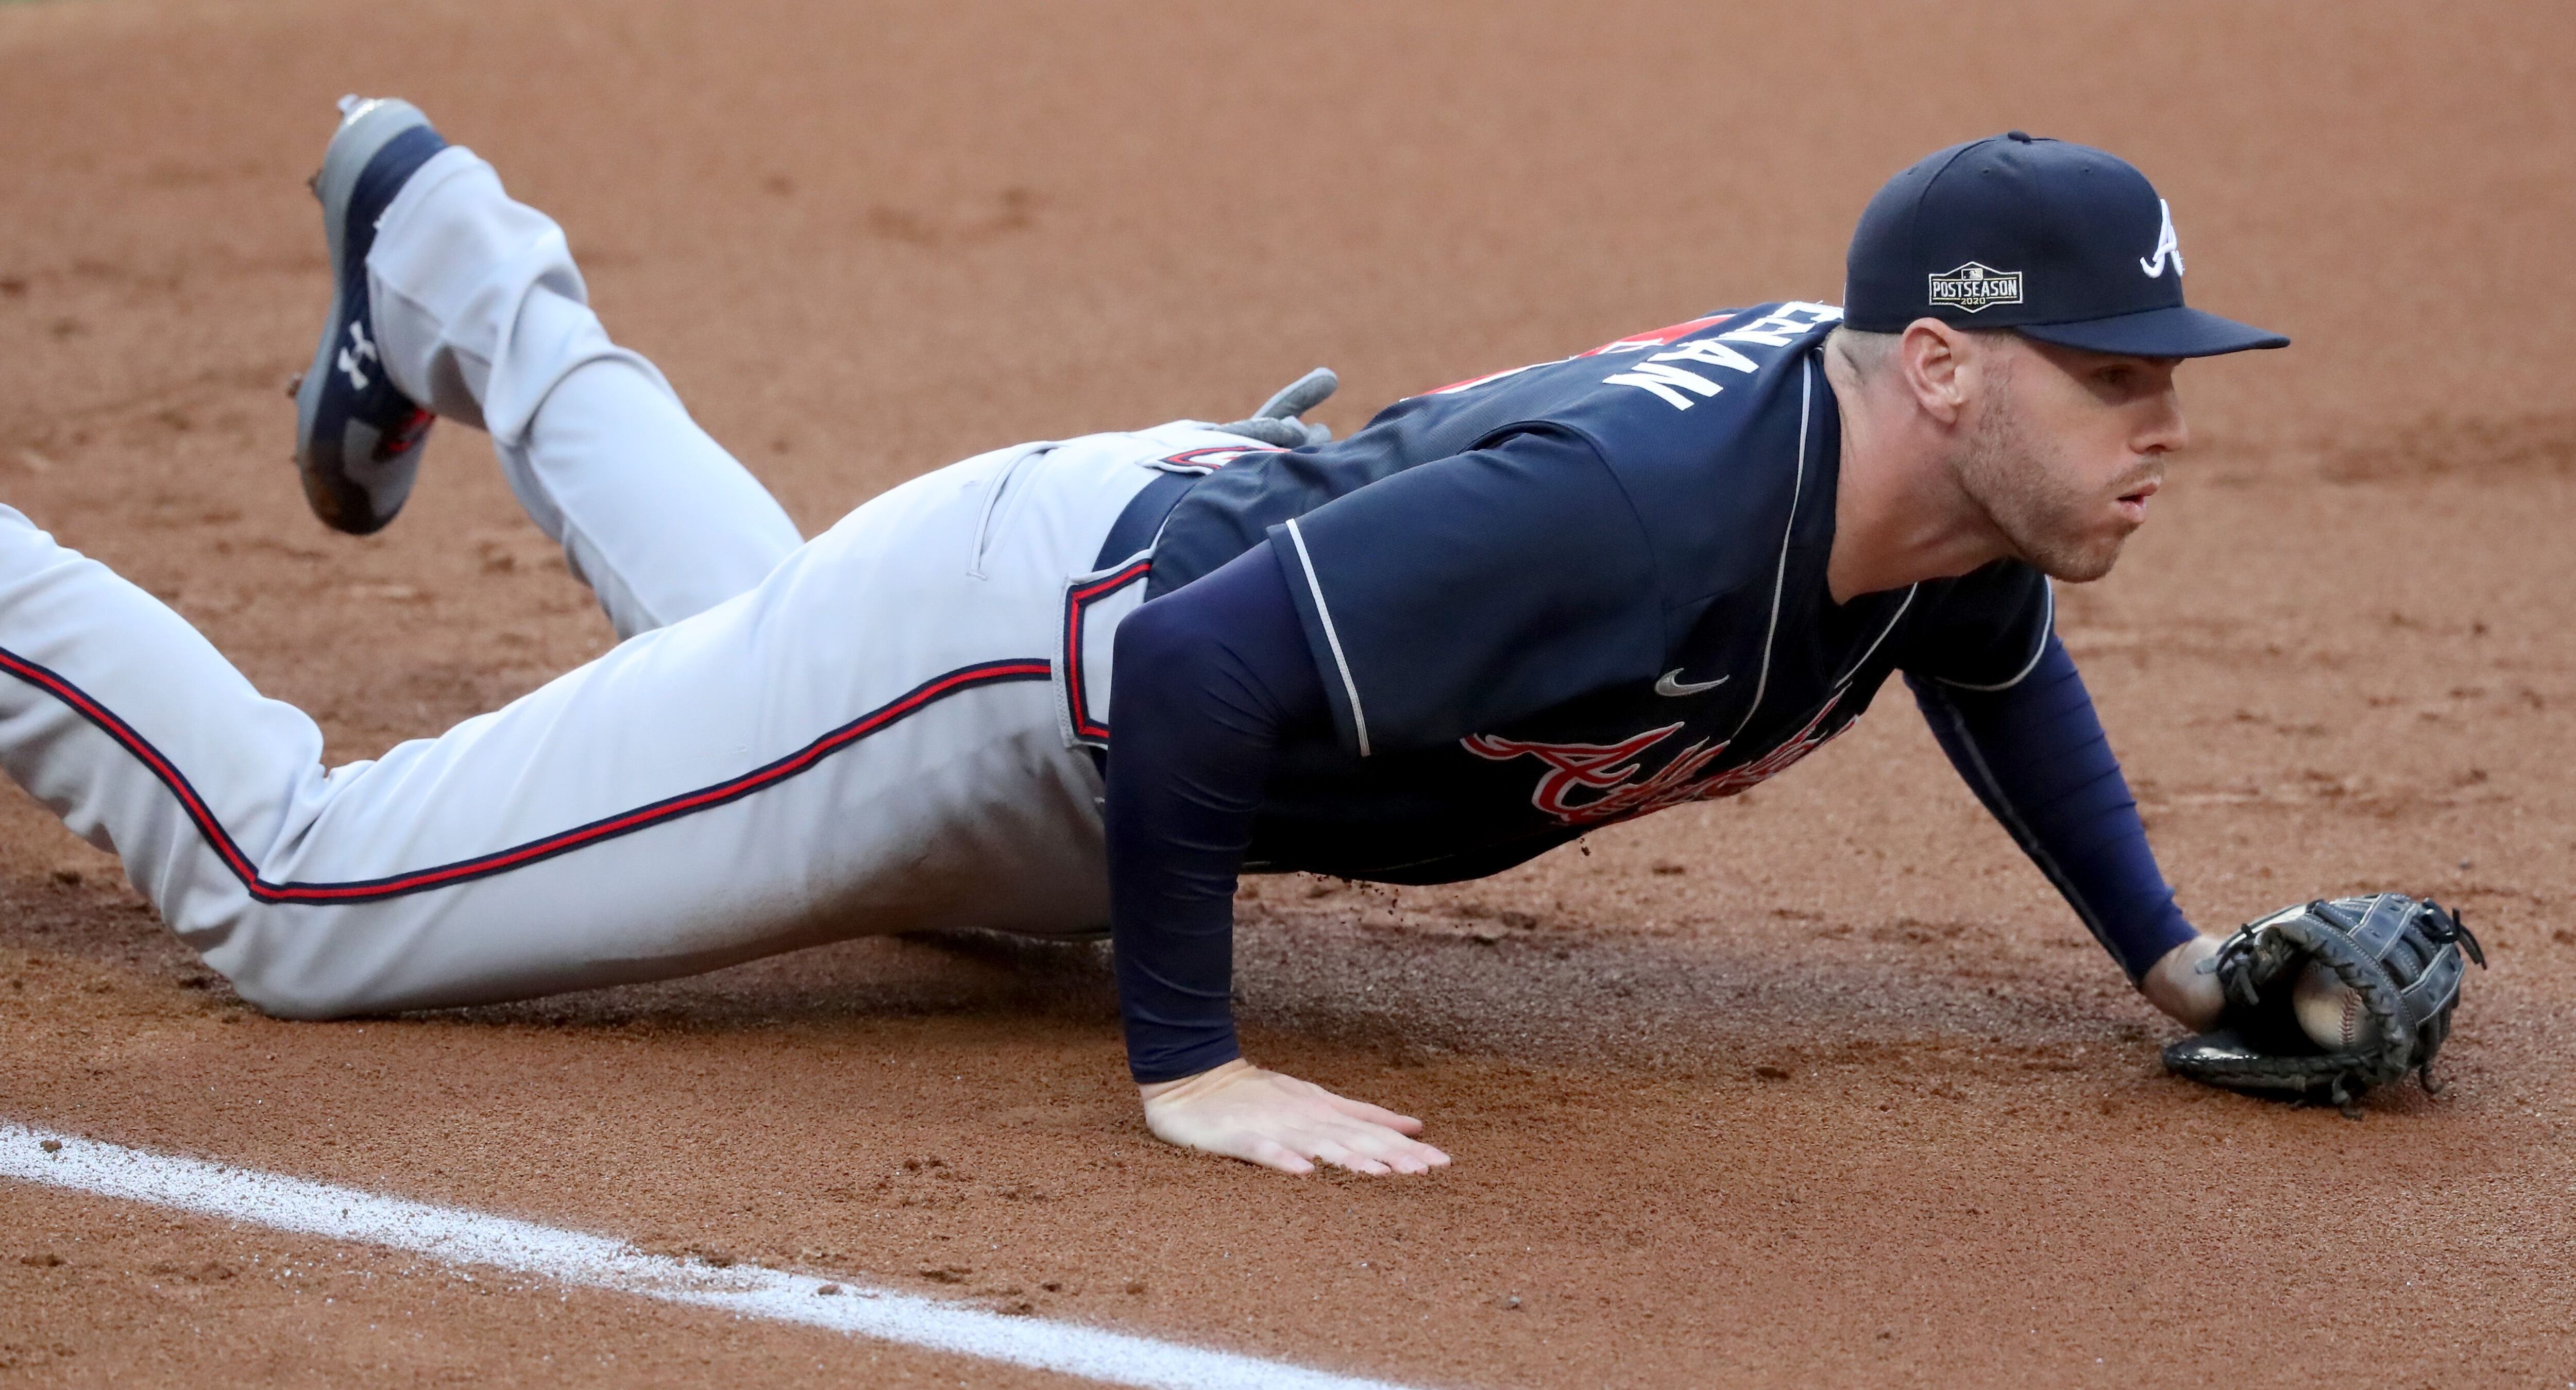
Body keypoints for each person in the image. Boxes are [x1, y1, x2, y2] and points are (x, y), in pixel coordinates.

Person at [0, 104, 2280, 1178]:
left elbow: (1989, 667)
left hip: (1082, 634)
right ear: (1948, 371)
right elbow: (1197, 675)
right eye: (2116, 378)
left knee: (747, 647)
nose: (2154, 425)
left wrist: (2169, 966)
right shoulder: (1647, 513)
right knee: (306, 893)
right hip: (1016, 674)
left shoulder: (1917, 483)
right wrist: (1187, 1065)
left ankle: (454, 264)